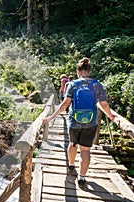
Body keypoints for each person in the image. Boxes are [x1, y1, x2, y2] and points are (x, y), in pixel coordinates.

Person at [43, 57, 116, 189]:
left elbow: (65, 103)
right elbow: (103, 104)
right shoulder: (96, 84)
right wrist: (111, 116)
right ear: (89, 71)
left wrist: (51, 117)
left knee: (72, 144)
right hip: (91, 122)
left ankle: (71, 166)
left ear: (78, 71)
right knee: (85, 150)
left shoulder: (73, 84)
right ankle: (82, 178)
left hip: (74, 121)